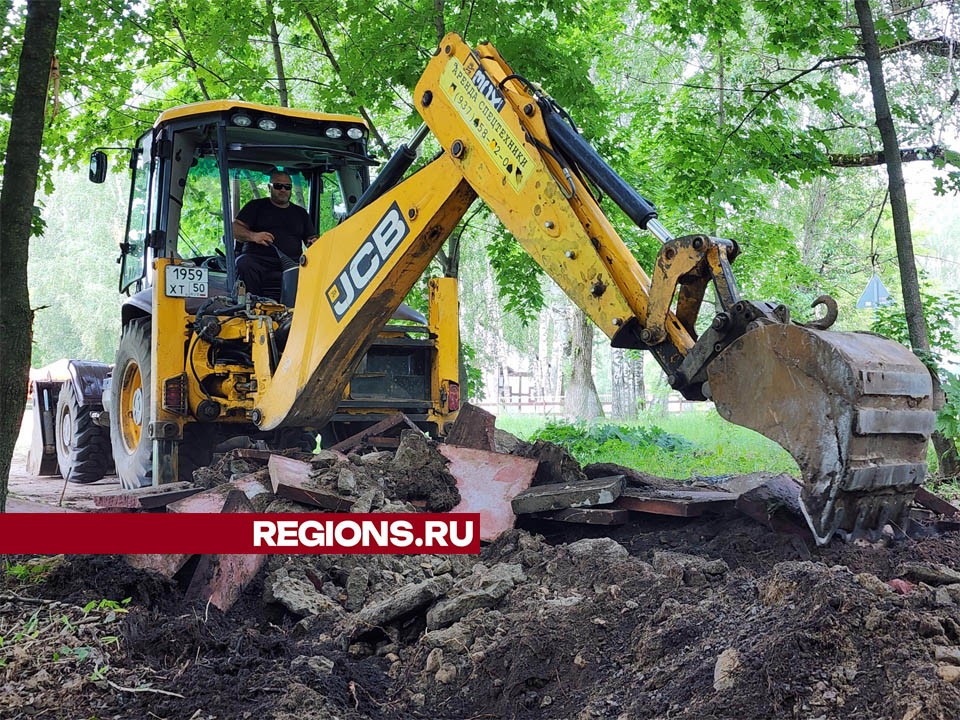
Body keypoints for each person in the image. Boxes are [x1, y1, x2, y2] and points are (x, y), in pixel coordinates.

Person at [233, 171, 318, 300]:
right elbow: (234, 229)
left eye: (287, 187)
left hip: (292, 263)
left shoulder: (300, 213)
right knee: (243, 263)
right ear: (270, 187)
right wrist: (254, 236)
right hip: (258, 261)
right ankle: (251, 306)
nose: (283, 190)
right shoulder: (255, 207)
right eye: (278, 186)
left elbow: (310, 239)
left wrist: (314, 243)